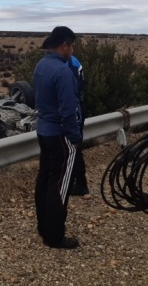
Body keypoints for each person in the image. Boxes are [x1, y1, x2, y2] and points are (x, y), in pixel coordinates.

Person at [33, 26, 84, 249]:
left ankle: (44, 228)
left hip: (44, 131)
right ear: (64, 45)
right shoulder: (63, 71)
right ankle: (54, 236)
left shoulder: (41, 66)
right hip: (61, 135)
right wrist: (75, 137)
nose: (72, 51)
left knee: (45, 179)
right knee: (59, 185)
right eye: (71, 46)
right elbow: (68, 110)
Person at [67, 55, 90, 196]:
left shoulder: (69, 63)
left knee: (72, 146)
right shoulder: (73, 61)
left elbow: (70, 90)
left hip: (74, 107)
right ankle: (79, 182)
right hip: (78, 106)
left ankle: (79, 183)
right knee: (74, 146)